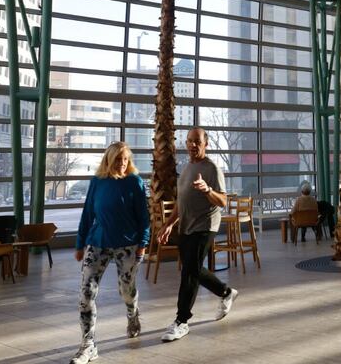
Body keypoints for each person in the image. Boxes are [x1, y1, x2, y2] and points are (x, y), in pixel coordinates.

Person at [71, 142, 150, 364]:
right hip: (97, 244)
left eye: (125, 159)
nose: (122, 164)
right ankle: (88, 345)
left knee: (126, 290)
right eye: (118, 159)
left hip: (128, 246)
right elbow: (88, 214)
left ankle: (132, 314)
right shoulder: (97, 182)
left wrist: (143, 244)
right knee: (86, 293)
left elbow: (144, 217)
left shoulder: (135, 182)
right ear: (108, 160)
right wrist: (79, 244)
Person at [158, 127, 237, 342]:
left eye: (197, 141)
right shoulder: (185, 169)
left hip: (206, 225)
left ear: (206, 144)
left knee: (189, 272)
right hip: (186, 227)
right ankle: (225, 292)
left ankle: (182, 321)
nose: (193, 145)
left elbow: (223, 201)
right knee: (192, 268)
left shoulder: (212, 168)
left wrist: (207, 190)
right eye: (189, 141)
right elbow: (180, 203)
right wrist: (168, 224)